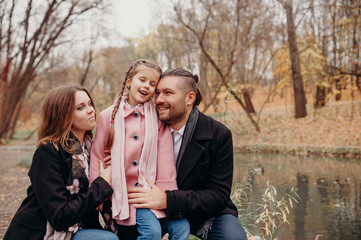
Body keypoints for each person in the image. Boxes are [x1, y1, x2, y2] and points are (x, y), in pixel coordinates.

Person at [128, 68, 248, 240]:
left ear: (189, 98)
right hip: (153, 209)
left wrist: (167, 200)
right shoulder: (144, 125)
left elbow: (218, 196)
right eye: (158, 93)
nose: (159, 100)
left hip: (205, 213)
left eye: (168, 93)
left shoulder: (218, 135)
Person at [89, 60, 190, 240]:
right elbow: (98, 155)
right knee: (152, 232)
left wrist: (166, 195)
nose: (147, 86)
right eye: (142, 80)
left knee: (182, 228)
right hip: (128, 195)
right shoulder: (108, 117)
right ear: (129, 81)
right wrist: (96, 194)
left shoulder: (158, 117)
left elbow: (165, 157)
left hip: (152, 191)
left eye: (152, 84)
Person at [4, 85, 118, 240]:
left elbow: (88, 211)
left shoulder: (89, 150)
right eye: (80, 107)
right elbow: (59, 217)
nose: (91, 110)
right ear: (63, 115)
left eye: (90, 104)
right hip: (41, 233)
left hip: (77, 228)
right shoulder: (48, 153)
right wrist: (102, 184)